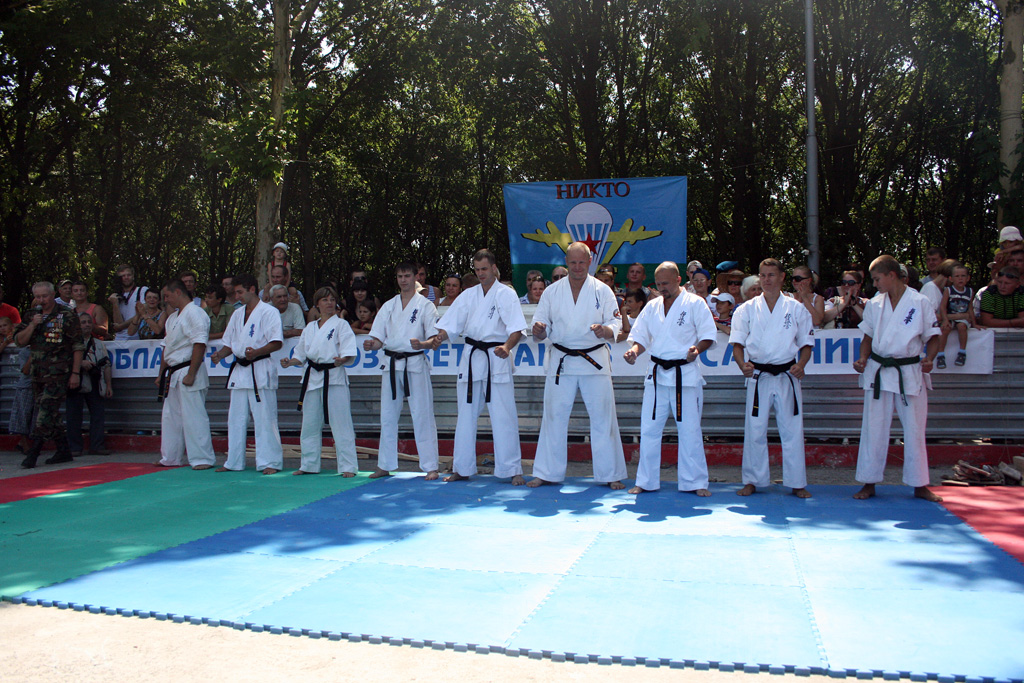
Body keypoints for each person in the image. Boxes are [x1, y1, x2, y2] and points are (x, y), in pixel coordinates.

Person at [528, 242, 627, 489]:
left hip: (594, 361)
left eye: (582, 262)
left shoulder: (603, 290)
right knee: (554, 417)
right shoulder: (552, 292)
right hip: (561, 360)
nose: (577, 267)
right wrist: (539, 330)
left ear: (590, 261)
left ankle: (610, 473)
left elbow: (615, 324)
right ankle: (547, 472)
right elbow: (540, 326)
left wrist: (605, 330)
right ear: (566, 262)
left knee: (603, 417)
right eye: (572, 262)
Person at [426, 249, 527, 484]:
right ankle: (462, 468)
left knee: (504, 416)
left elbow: (517, 328)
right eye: (477, 269)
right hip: (471, 359)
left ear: (494, 268)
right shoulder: (468, 295)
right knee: (465, 416)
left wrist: (507, 347)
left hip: (496, 358)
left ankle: (513, 469)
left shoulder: (506, 294)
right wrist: (439, 337)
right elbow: (451, 323)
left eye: (484, 269)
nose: (481, 273)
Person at [852, 256, 942, 502]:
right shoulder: (875, 304)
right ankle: (869, 482)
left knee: (914, 429)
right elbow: (868, 338)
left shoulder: (919, 302)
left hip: (908, 371)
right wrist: (862, 359)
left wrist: (930, 359)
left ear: (891, 275)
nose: (875, 284)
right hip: (879, 370)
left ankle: (919, 484)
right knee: (873, 428)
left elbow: (933, 336)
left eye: (877, 279)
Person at [624, 262, 717, 495]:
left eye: (665, 283)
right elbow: (641, 337)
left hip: (684, 376)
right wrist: (634, 351)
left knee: (689, 431)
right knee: (649, 430)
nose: (662, 288)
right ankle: (645, 481)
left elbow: (708, 335)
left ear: (678, 279)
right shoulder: (652, 306)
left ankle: (695, 482)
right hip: (656, 376)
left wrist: (697, 349)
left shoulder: (695, 303)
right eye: (658, 284)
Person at [729, 259, 813, 498]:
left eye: (771, 275)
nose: (766, 280)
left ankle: (797, 482)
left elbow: (806, 344)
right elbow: (737, 344)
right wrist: (742, 365)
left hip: (787, 375)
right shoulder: (746, 309)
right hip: (759, 376)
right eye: (763, 275)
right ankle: (752, 480)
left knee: (792, 429)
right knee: (754, 429)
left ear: (782, 277)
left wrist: (801, 364)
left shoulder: (796, 308)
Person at [363, 262, 440, 480]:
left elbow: (434, 339)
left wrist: (423, 344)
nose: (403, 280)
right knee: (387, 416)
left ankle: (431, 466)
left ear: (416, 277)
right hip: (391, 364)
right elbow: (379, 338)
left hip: (414, 364)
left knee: (422, 414)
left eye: (407, 276)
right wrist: (372, 345)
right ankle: (385, 464)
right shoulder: (388, 306)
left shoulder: (426, 306)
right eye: (400, 276)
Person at [210, 274, 284, 474]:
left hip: (259, 368)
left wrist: (257, 352)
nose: (237, 296)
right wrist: (220, 355)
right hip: (240, 371)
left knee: (265, 418)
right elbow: (229, 343)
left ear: (252, 289)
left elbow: (277, 342)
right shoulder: (237, 314)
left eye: (240, 292)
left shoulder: (269, 312)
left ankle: (270, 462)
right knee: (235, 418)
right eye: (235, 293)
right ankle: (233, 462)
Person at [281, 286, 358, 476]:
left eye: (332, 300)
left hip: (334, 377)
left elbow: (349, 351)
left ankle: (348, 467)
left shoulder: (341, 325)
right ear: (317, 304)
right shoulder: (310, 327)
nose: (329, 303)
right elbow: (300, 354)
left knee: (341, 424)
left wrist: (342, 359)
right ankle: (308, 465)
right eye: (325, 300)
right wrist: (290, 362)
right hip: (312, 378)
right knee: (309, 424)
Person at [15, 282, 85, 468]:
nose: (41, 300)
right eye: (38, 297)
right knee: (50, 413)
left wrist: (75, 373)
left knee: (45, 413)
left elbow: (78, 345)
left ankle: (33, 453)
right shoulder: (31, 315)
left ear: (53, 295)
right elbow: (20, 341)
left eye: (44, 296)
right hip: (38, 374)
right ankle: (63, 450)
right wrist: (33, 324)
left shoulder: (66, 314)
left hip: (59, 373)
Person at [156, 279, 216, 470]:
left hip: (189, 368)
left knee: (194, 416)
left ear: (178, 292)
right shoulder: (172, 318)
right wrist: (161, 374)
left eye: (167, 296)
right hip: (173, 371)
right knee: (170, 417)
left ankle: (202, 458)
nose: (165, 300)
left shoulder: (195, 313)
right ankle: (170, 457)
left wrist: (191, 373)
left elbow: (199, 343)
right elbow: (167, 348)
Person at [65, 312, 112, 457]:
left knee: (98, 414)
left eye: (89, 322)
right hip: (75, 381)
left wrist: (108, 385)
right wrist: (80, 363)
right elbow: (62, 361)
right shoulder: (68, 342)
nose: (86, 325)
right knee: (73, 415)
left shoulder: (98, 343)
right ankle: (74, 447)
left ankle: (97, 446)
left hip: (94, 381)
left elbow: (106, 365)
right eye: (83, 322)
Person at [936, 264, 974, 368]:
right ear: (951, 279)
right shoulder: (948, 290)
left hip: (962, 318)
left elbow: (970, 308)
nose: (960, 278)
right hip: (950, 316)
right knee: (945, 329)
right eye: (957, 276)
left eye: (963, 276)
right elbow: (943, 306)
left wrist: (974, 323)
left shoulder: (970, 291)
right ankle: (940, 354)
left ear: (968, 278)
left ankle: (962, 352)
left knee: (962, 326)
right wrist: (945, 320)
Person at [8, 328, 36, 454]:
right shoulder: (25, 352)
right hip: (26, 386)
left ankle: (25, 443)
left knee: (35, 417)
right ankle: (24, 444)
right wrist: (32, 356)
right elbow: (25, 371)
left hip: (38, 386)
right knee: (23, 416)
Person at [108, 265, 148, 340]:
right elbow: (118, 323)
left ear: (133, 276)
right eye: (123, 276)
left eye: (129, 275)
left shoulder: (142, 291)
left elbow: (142, 314)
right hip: (120, 338)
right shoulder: (118, 295)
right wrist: (115, 304)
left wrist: (121, 326)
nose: (126, 277)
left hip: (137, 336)